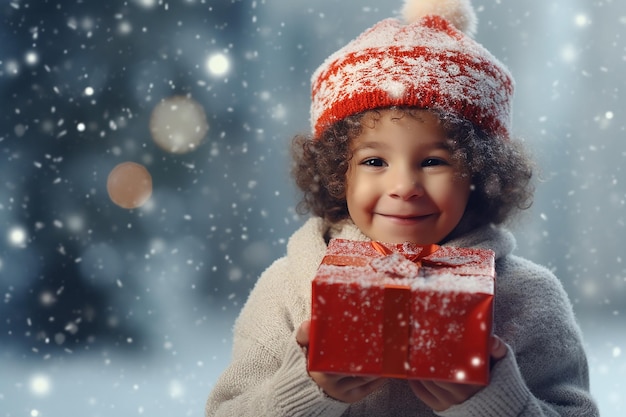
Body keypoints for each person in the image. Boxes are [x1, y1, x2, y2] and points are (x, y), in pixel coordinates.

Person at [205, 0, 599, 415]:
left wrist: (498, 402)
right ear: (339, 173)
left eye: (434, 162)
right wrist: (305, 390)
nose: (404, 187)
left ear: (482, 174)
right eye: (375, 162)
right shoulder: (288, 288)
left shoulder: (529, 298)